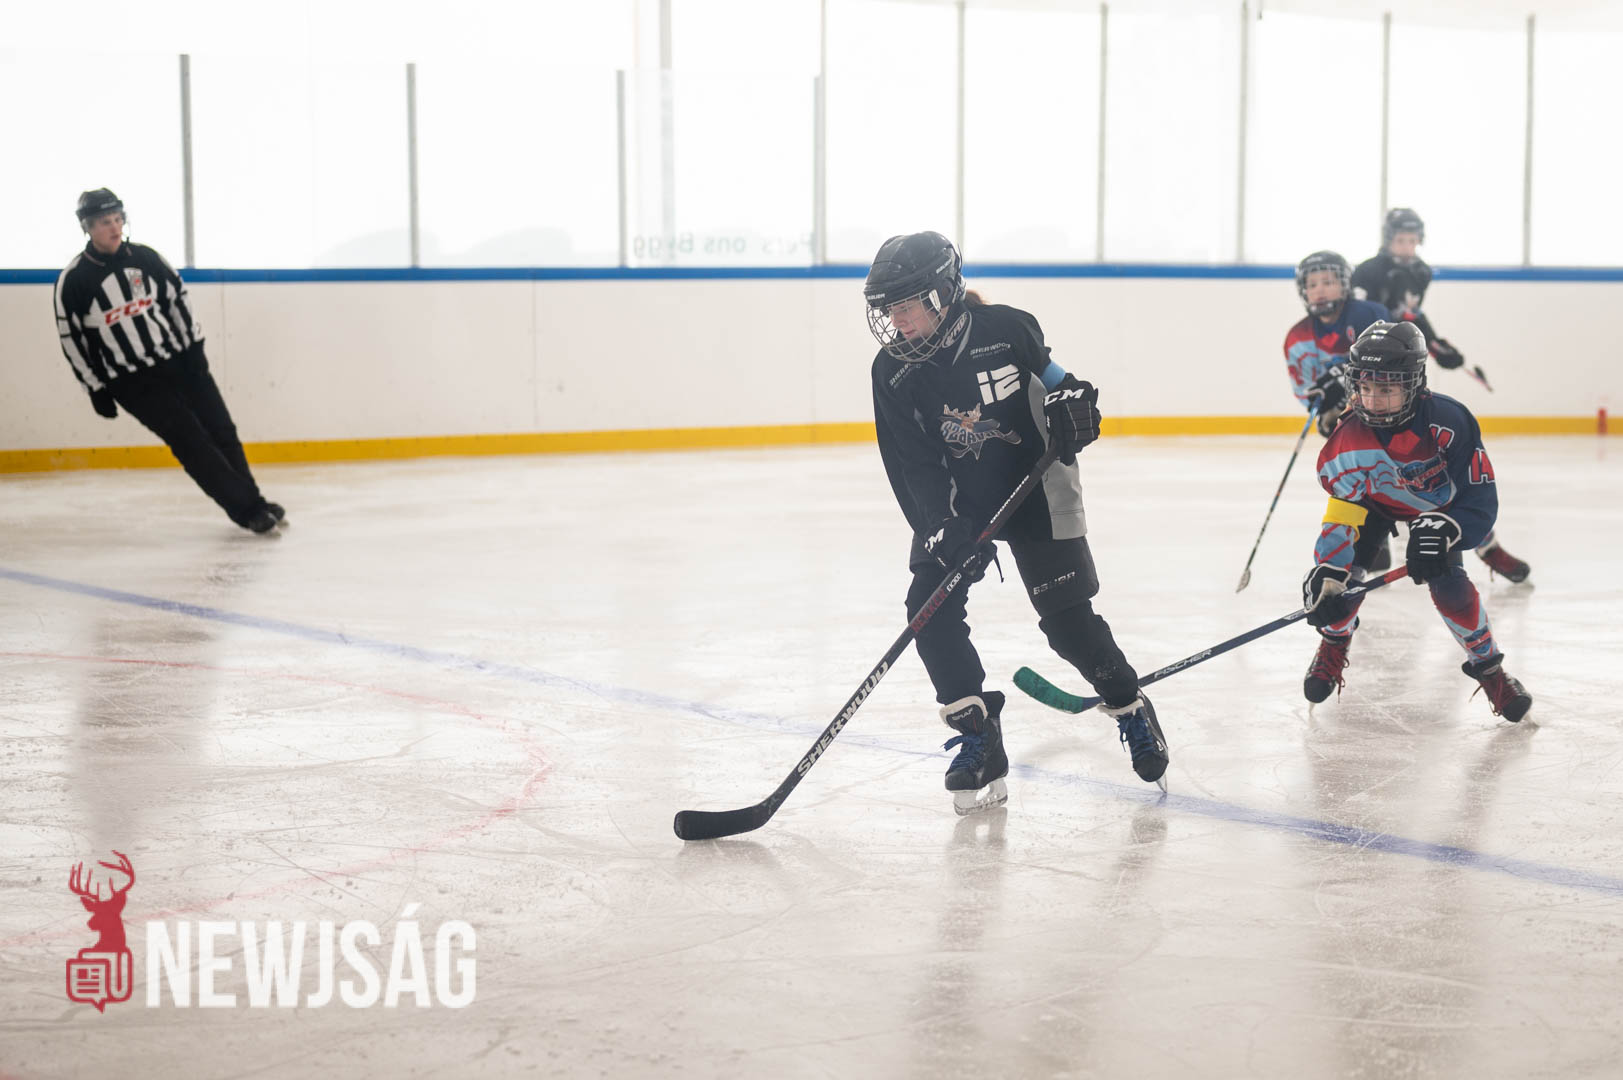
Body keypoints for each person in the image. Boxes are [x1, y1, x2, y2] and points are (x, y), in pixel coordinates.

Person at [865, 231, 1168, 814]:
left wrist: (1077, 409)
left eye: (906, 305)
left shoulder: (1007, 329)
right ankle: (978, 735)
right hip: (960, 502)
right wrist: (940, 525)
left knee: (1067, 624)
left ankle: (1130, 706)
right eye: (889, 309)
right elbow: (910, 462)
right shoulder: (892, 370)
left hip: (1035, 487)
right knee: (929, 610)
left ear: (942, 292)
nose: (896, 321)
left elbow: (1061, 387)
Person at [1299, 320, 1532, 722]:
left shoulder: (1449, 421)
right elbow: (1343, 511)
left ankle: (1490, 669)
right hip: (1375, 507)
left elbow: (1479, 500)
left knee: (1452, 590)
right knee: (1343, 588)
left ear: (1414, 384)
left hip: (1437, 511)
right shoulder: (1346, 439)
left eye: (1386, 389)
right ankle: (1335, 641)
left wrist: (1448, 529)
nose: (1373, 401)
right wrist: (1329, 568)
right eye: (1365, 387)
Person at [53, 189, 284, 534]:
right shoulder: (74, 280)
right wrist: (94, 388)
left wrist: (193, 350)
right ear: (87, 227)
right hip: (133, 382)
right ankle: (247, 510)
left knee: (222, 430)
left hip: (179, 361)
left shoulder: (146, 258)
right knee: (192, 442)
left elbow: (178, 300)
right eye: (104, 222)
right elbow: (72, 339)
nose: (114, 227)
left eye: (117, 219)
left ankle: (255, 501)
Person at [1351, 208, 1531, 582]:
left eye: (1412, 240)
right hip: (1370, 385)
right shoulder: (1367, 272)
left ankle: (1484, 545)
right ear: (1387, 239)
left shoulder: (1420, 272)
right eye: (1400, 240)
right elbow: (1360, 323)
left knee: (1434, 475)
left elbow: (1410, 317)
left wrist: (1435, 346)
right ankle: (1371, 543)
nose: (1407, 247)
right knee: (1367, 469)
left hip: (1400, 385)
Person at [1283, 250, 1395, 567]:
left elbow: (1390, 363)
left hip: (1391, 411)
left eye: (1328, 281)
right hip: (1349, 420)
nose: (1319, 289)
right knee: (1355, 476)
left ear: (1345, 285)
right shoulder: (1298, 338)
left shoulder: (1370, 314)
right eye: (1312, 284)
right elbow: (1308, 392)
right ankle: (1371, 537)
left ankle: (1470, 544)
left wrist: (1343, 375)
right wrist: (1327, 408)